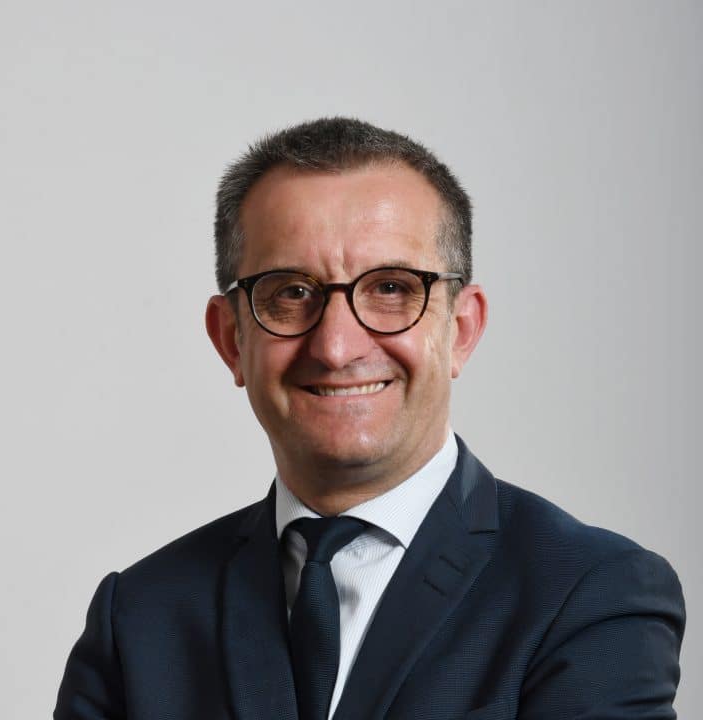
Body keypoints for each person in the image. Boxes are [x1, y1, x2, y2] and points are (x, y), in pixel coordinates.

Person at [55, 117, 685, 719]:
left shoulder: (592, 597)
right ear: (231, 340)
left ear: (462, 329)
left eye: (390, 289)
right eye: (291, 292)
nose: (336, 347)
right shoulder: (137, 617)